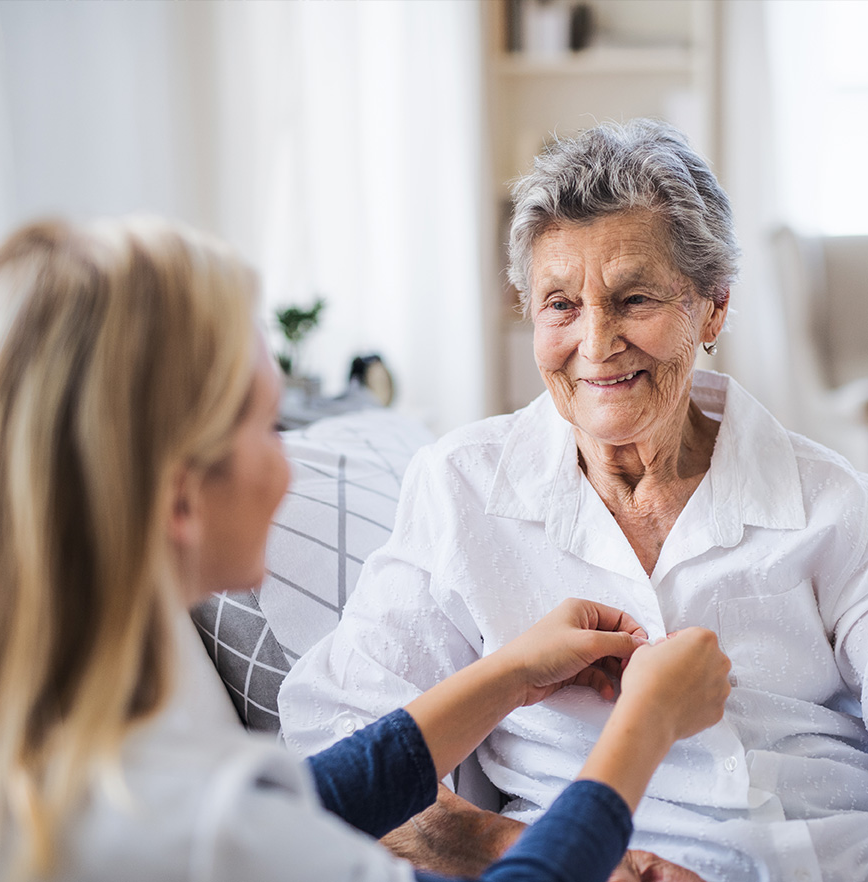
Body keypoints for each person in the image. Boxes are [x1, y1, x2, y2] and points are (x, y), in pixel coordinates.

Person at [0, 216, 731, 882]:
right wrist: (646, 726)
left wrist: (510, 673)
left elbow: (309, 796)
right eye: (266, 425)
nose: (291, 460)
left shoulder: (48, 765)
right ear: (181, 496)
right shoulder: (210, 836)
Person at [279, 118, 868, 882]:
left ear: (713, 308)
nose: (595, 343)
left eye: (633, 299)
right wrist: (512, 847)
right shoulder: (463, 488)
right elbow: (339, 739)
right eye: (560, 304)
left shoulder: (828, 498)